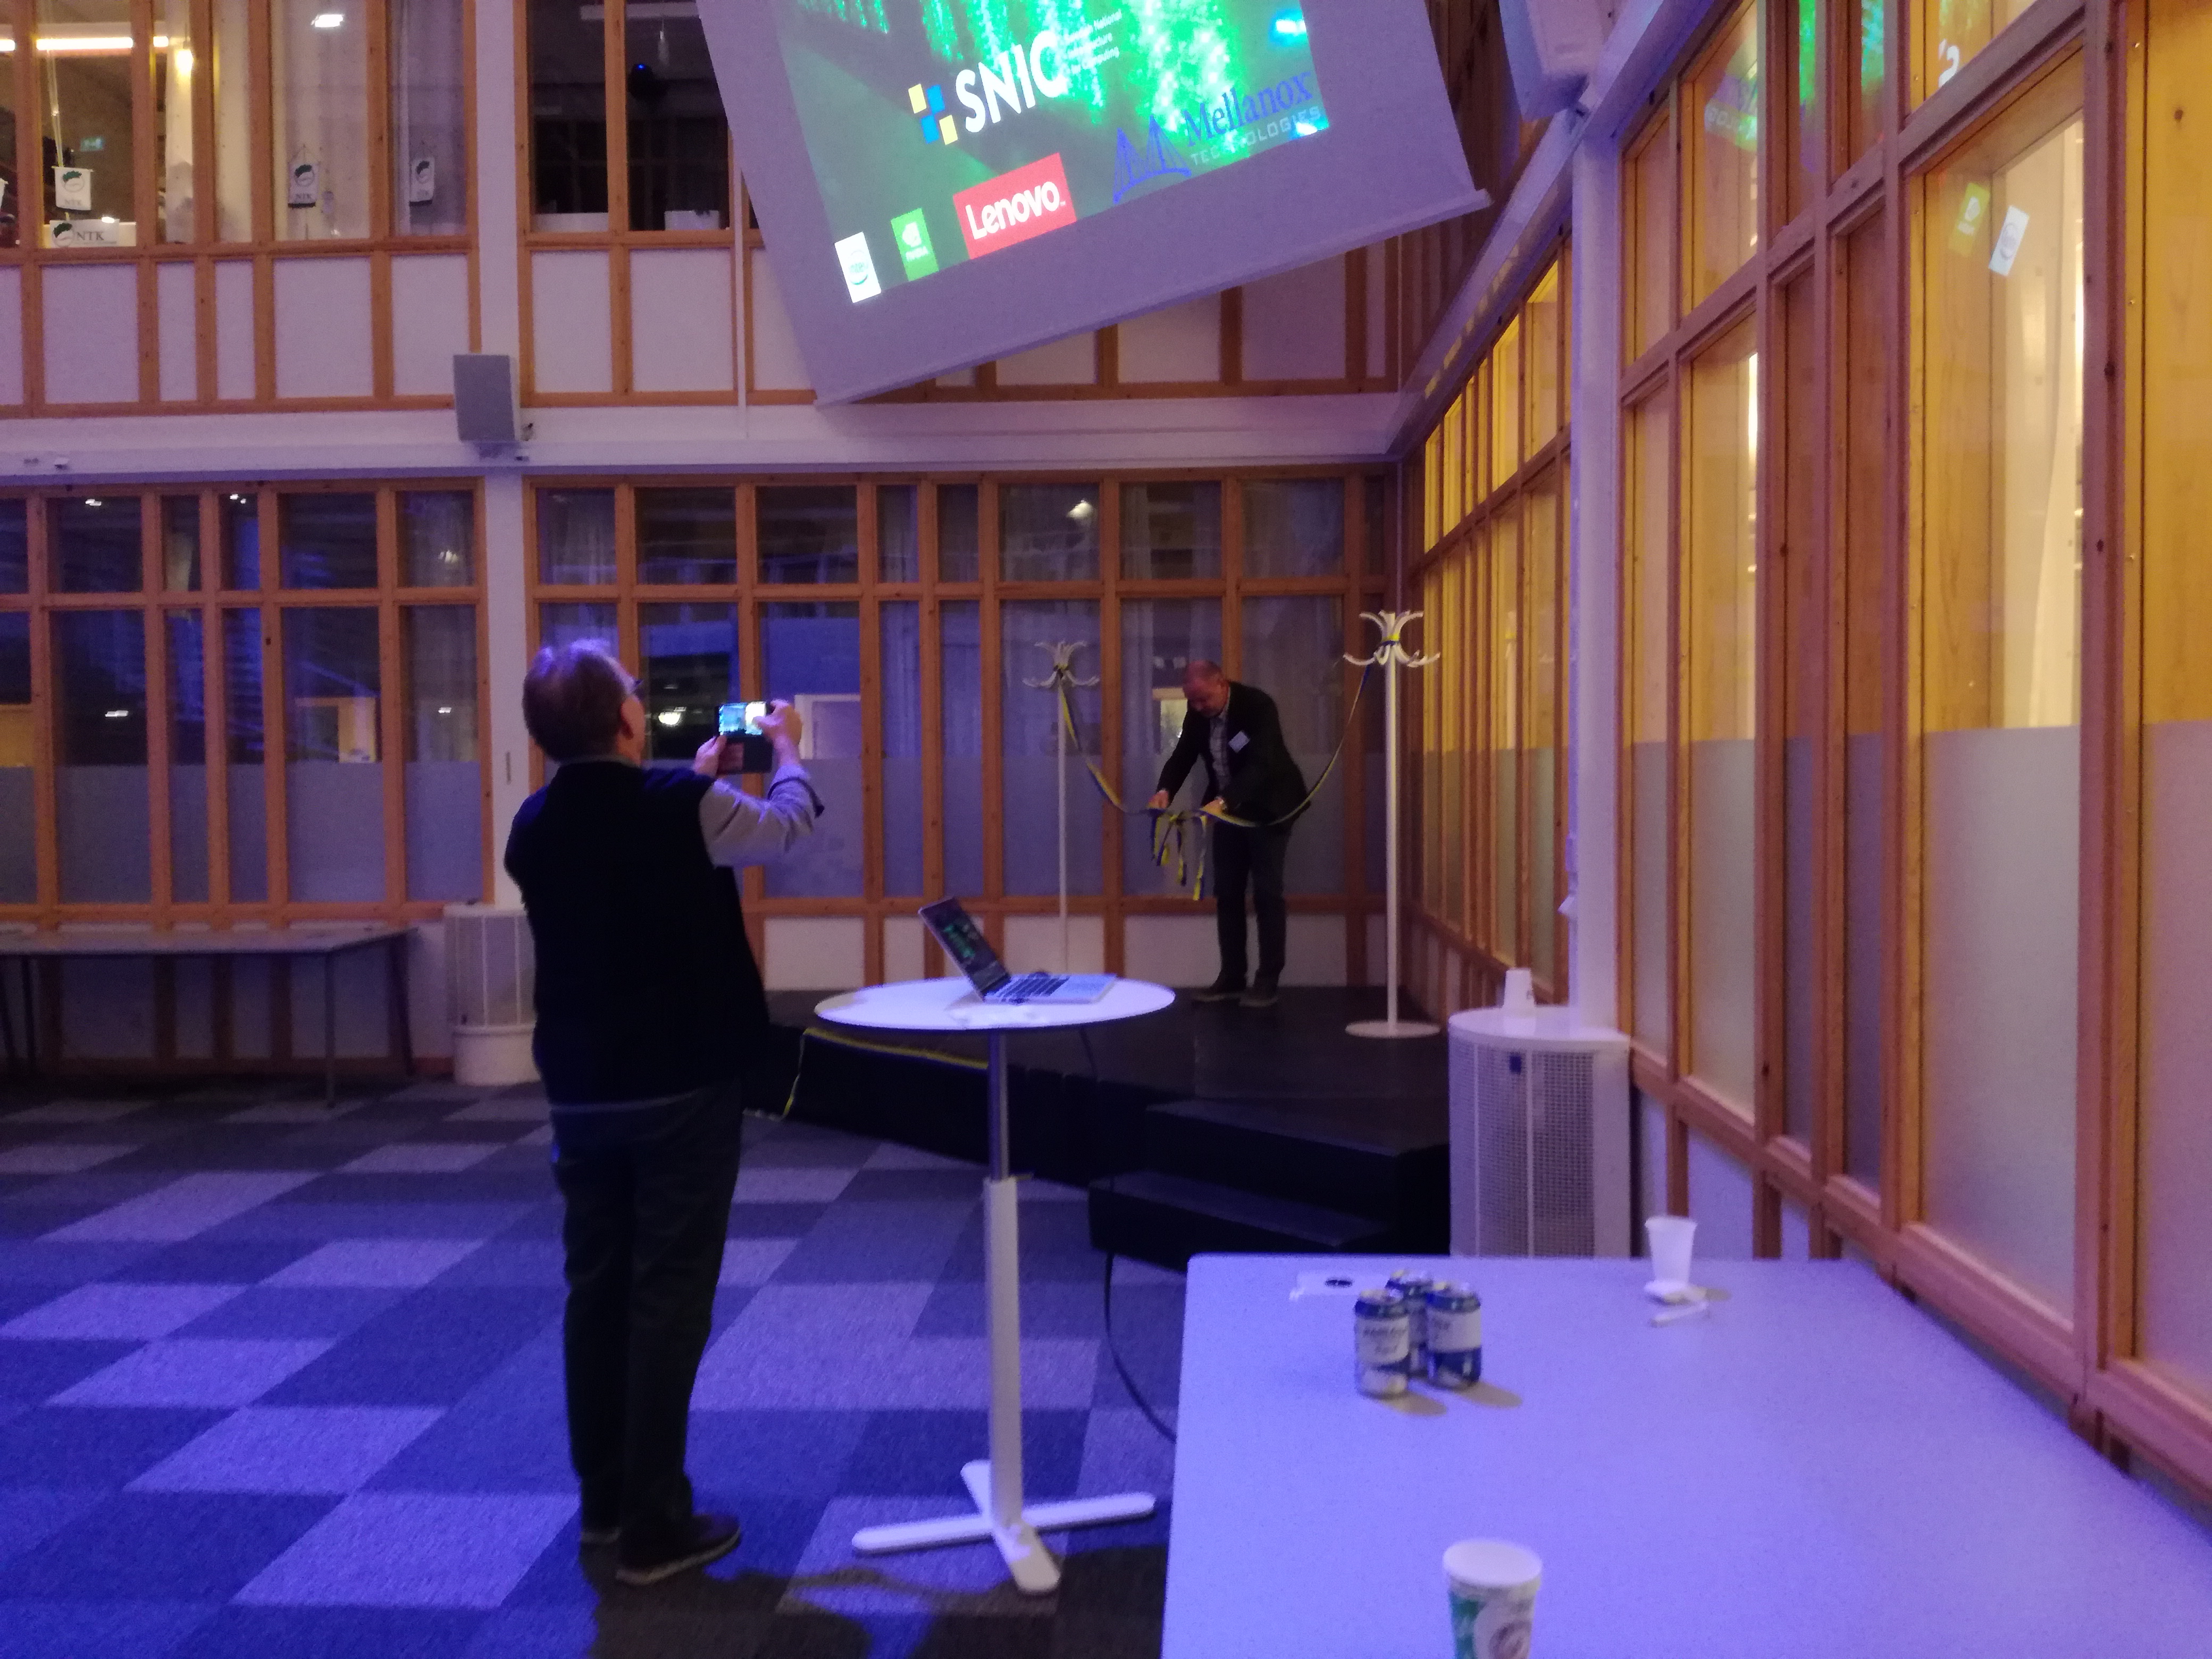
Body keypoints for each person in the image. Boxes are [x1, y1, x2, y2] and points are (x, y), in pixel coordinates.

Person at [504, 642, 819, 1587]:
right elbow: (786, 830)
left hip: (580, 1090)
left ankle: (605, 1504)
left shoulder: (532, 824)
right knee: (669, 1296)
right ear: (626, 720)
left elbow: (620, 849)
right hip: (682, 1084)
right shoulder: (682, 805)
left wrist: (702, 776)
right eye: (635, 693)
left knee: (597, 1289)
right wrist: (789, 749)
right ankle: (655, 1524)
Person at [1149, 659, 1308, 1008]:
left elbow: (1262, 764)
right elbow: (1183, 755)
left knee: (1267, 893)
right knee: (1227, 892)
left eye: (1204, 698)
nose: (1198, 707)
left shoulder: (1257, 706)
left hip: (1269, 808)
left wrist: (1224, 801)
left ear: (1222, 684)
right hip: (1227, 810)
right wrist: (1165, 790)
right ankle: (1232, 977)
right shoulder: (1198, 714)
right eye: (1192, 700)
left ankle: (1267, 981)